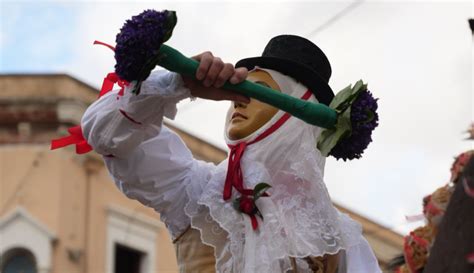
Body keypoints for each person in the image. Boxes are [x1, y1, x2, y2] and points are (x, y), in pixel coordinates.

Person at [82, 35, 381, 273]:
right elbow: (105, 135)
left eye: (260, 90)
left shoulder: (338, 236)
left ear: (295, 114)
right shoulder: (198, 193)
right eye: (239, 90)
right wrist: (178, 84)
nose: (239, 101)